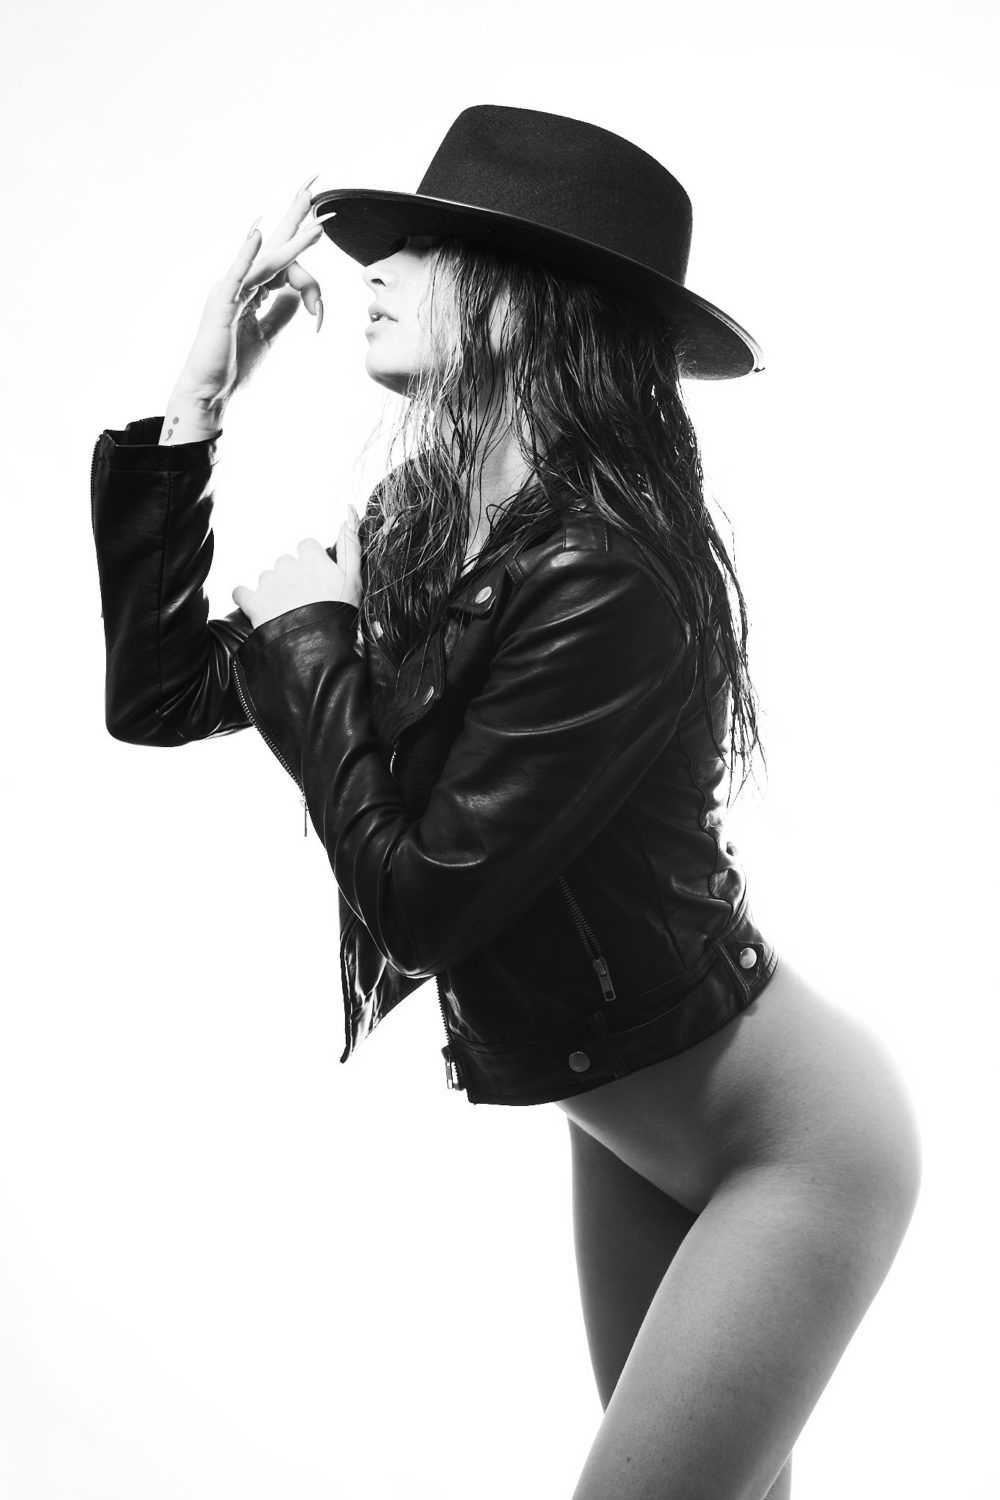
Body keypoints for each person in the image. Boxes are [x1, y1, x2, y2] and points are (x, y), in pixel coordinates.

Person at [90, 106, 922, 1500]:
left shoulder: (612, 575)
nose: (375, 267)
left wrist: (315, 644)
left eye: (429, 248)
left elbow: (423, 904)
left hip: (791, 1150)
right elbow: (161, 694)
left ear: (530, 304)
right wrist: (197, 403)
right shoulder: (423, 525)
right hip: (627, 1123)